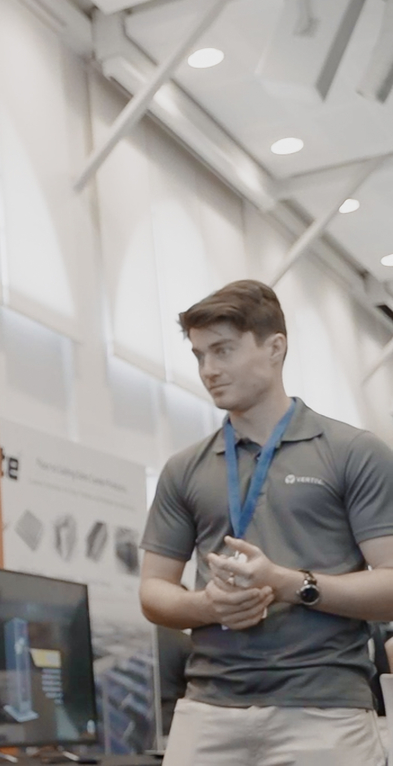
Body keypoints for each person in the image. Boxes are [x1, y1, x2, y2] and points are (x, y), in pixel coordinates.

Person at [139, 279, 393, 765]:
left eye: (223, 351)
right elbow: (153, 591)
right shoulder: (184, 469)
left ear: (275, 348)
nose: (208, 370)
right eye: (199, 355)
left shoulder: (354, 453)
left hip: (325, 710)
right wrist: (208, 605)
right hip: (208, 707)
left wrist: (289, 584)